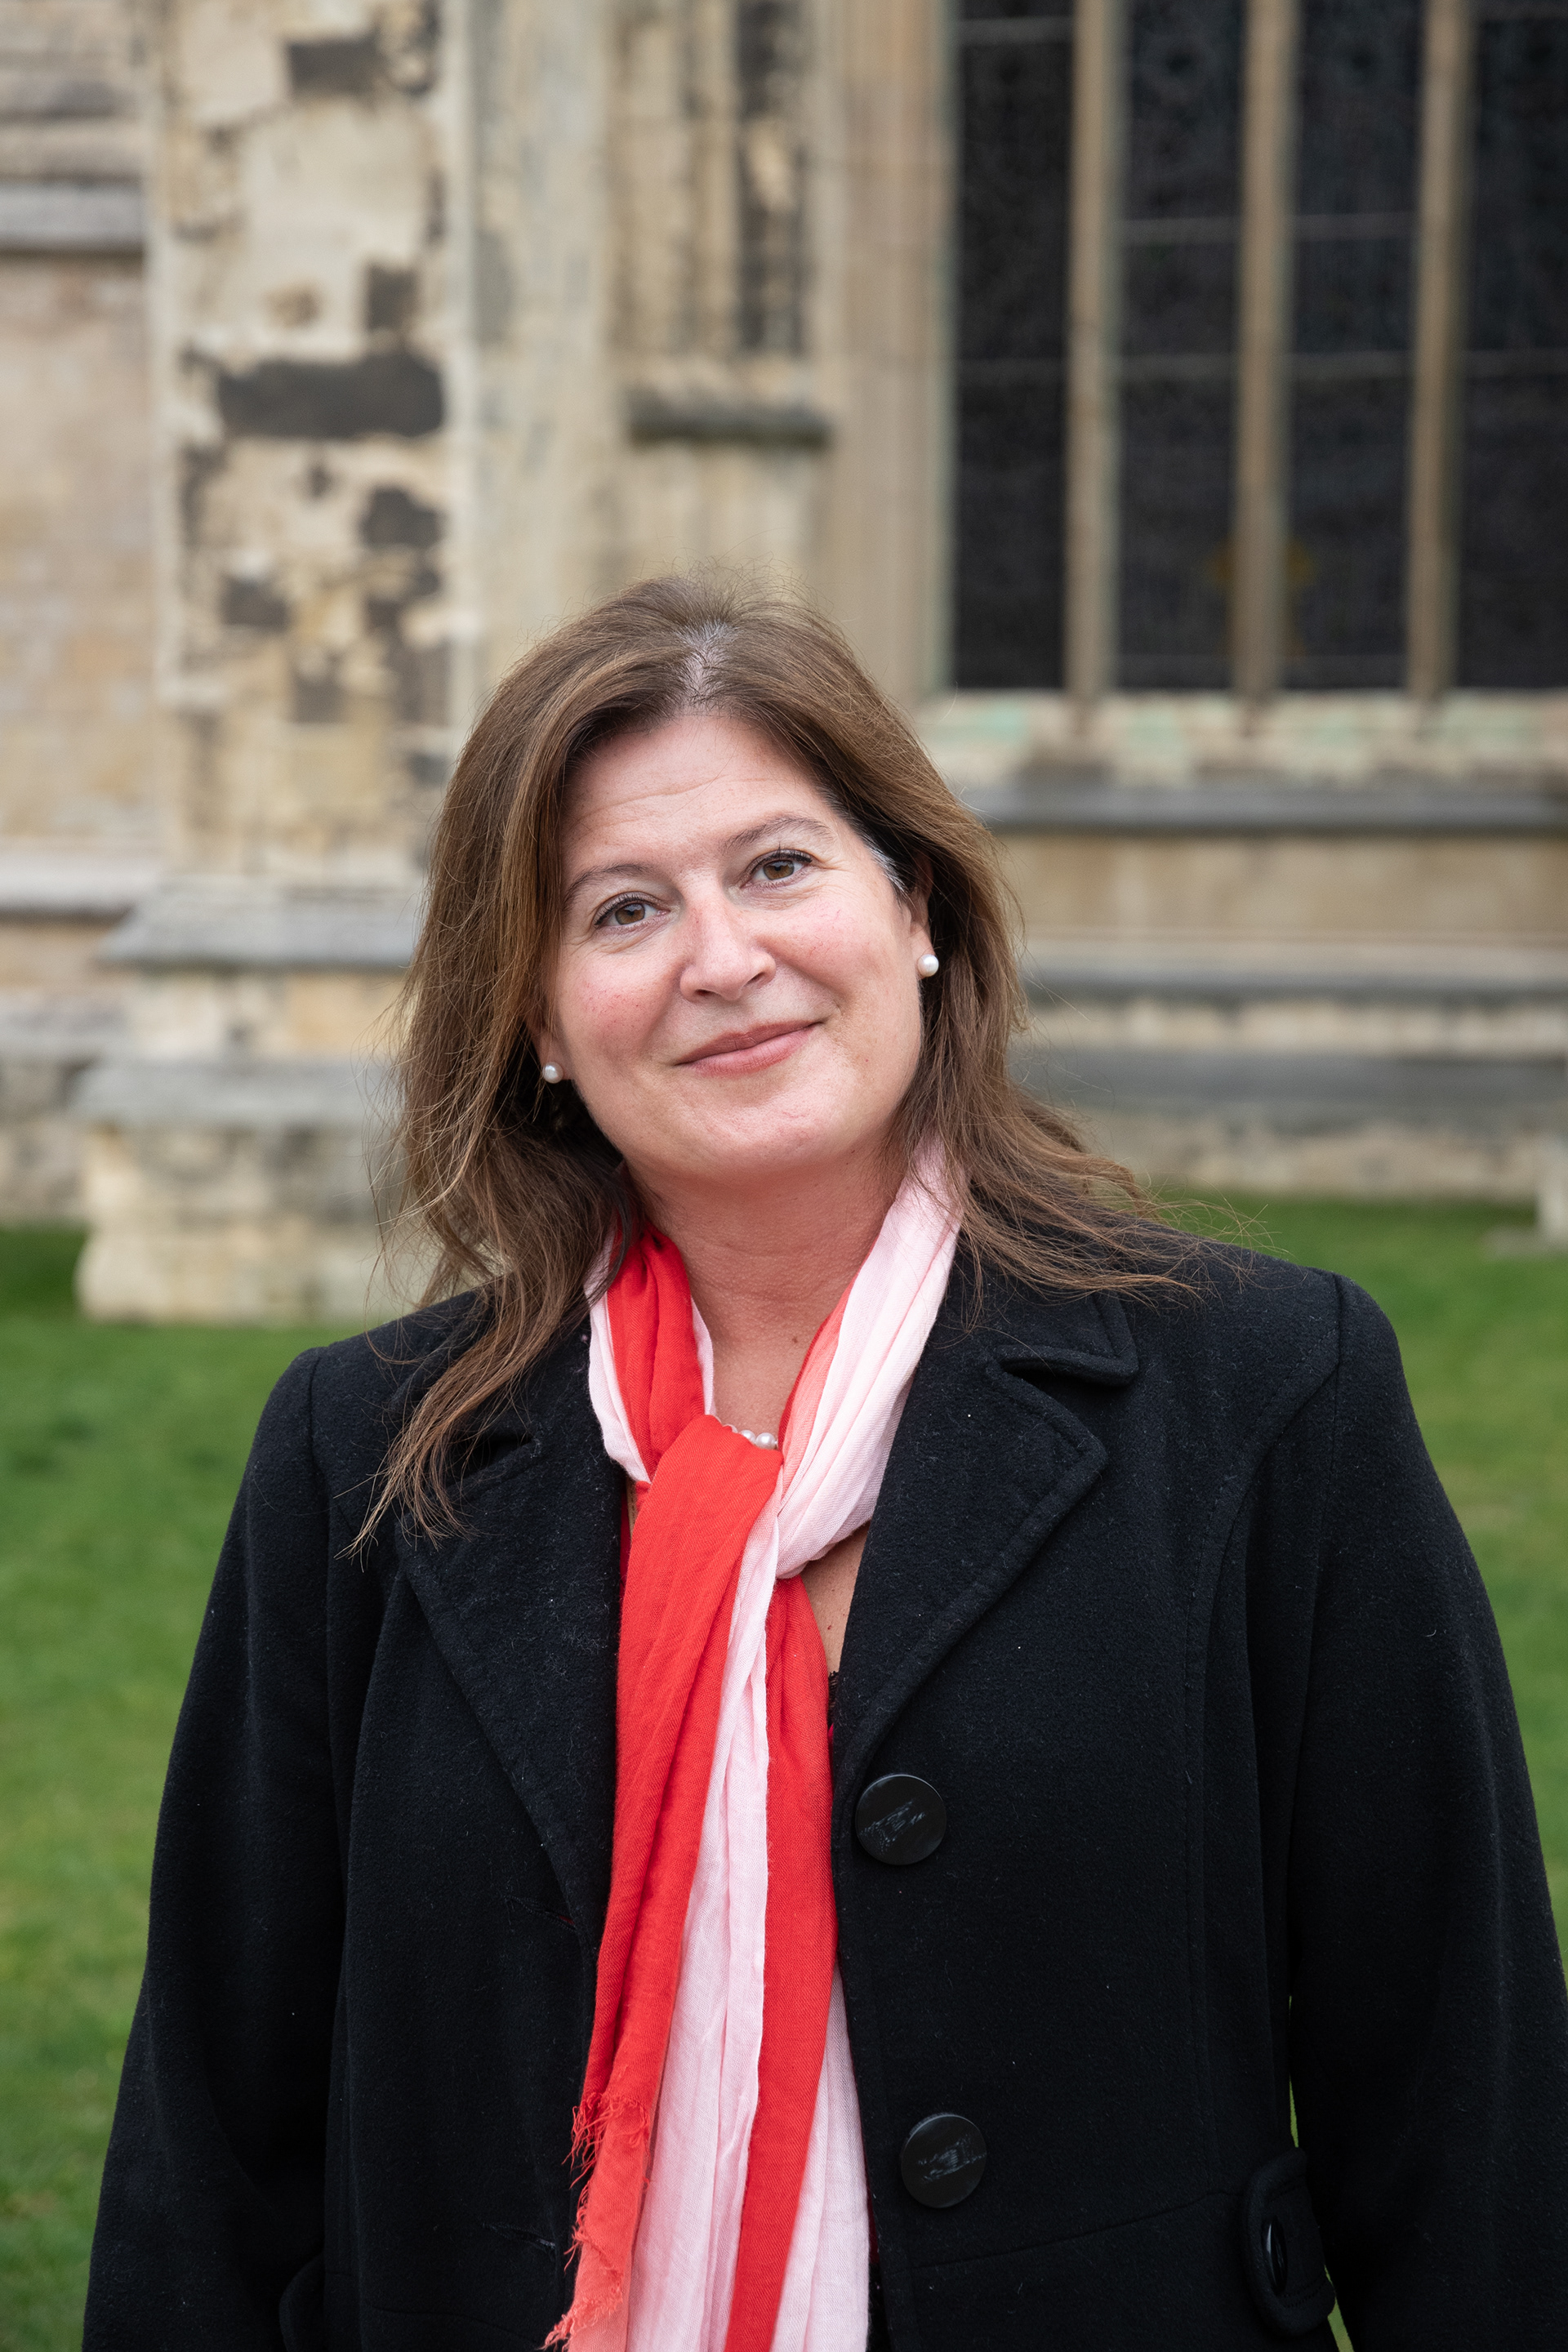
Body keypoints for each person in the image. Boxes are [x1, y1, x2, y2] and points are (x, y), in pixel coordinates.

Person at [87, 576, 1568, 2352]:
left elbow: (1459, 2094)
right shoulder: (366, 1458)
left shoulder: (1264, 1390)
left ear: (915, 907)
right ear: (539, 1018)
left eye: (780, 866)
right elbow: (214, 2139)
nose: (723, 959)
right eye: (624, 909)